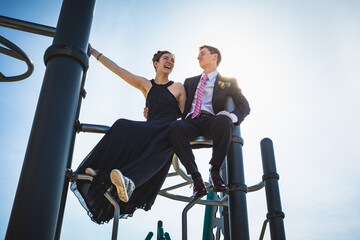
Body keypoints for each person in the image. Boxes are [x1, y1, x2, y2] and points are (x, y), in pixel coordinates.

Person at [70, 45, 186, 224]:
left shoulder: (178, 87)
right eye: (166, 58)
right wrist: (94, 53)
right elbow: (118, 70)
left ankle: (130, 182)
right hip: (150, 128)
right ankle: (101, 169)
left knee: (167, 141)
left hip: (168, 129)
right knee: (122, 125)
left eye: (173, 60)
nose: (170, 62)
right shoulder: (146, 85)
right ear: (156, 63)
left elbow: (186, 115)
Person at [168, 45, 250, 198]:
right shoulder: (190, 82)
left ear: (214, 56)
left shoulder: (229, 82)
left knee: (224, 121)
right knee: (175, 127)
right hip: (191, 122)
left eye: (202, 54)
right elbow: (178, 107)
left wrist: (231, 116)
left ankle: (215, 171)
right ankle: (196, 177)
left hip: (212, 121)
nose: (198, 57)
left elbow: (244, 105)